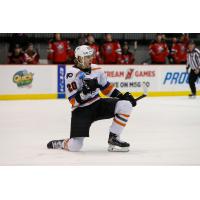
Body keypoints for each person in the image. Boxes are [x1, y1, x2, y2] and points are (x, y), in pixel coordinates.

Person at [47, 45, 137, 152]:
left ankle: (114, 138)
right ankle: (62, 143)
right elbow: (73, 101)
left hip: (97, 103)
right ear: (79, 58)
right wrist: (85, 92)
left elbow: (106, 88)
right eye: (87, 57)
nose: (91, 59)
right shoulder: (71, 74)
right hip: (81, 110)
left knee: (125, 105)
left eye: (91, 56)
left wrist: (122, 96)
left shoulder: (97, 69)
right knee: (75, 147)